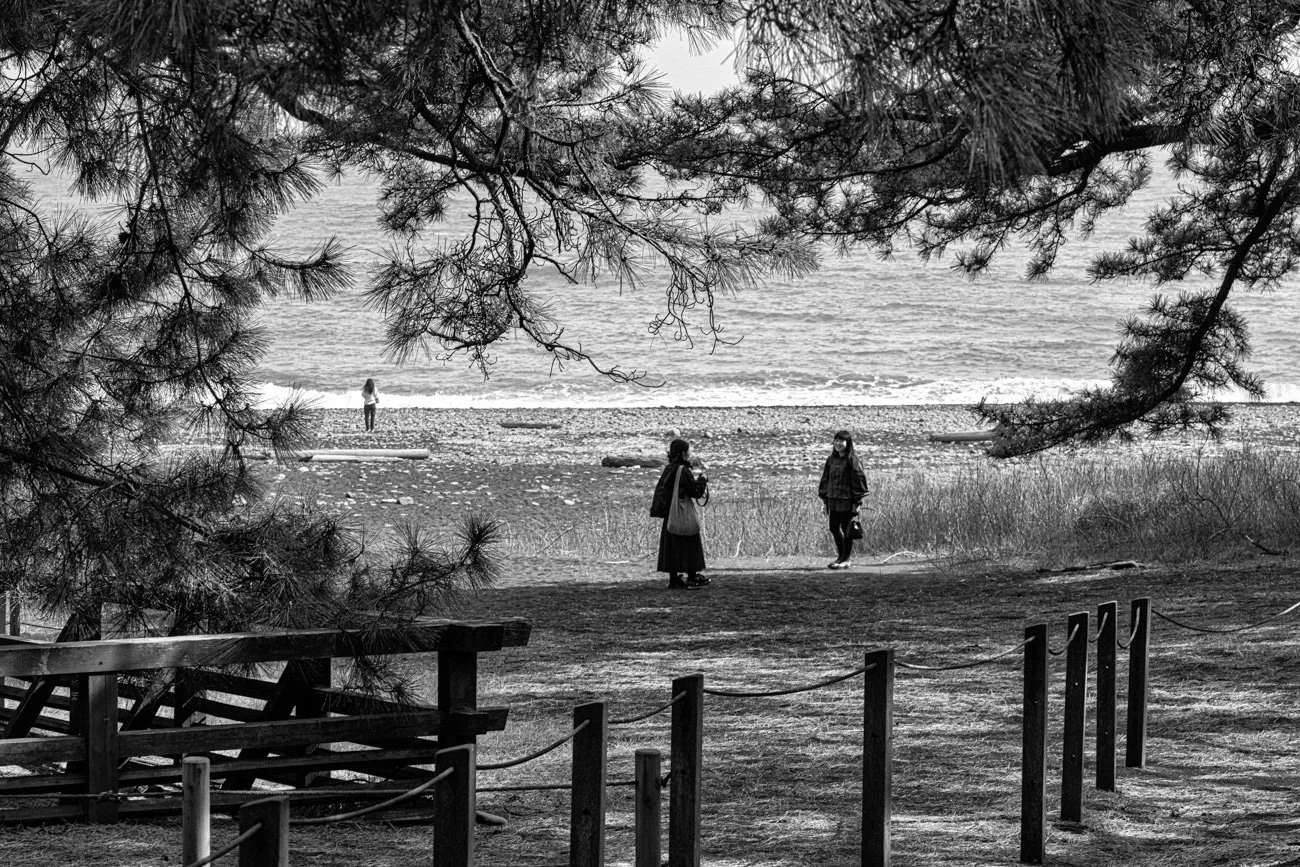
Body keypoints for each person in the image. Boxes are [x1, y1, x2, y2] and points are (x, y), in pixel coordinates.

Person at [652, 438, 710, 589]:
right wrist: (702, 480)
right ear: (684, 453)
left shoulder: (669, 468)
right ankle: (692, 576)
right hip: (682, 513)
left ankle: (674, 579)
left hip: (670, 514)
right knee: (690, 541)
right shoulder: (683, 470)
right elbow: (695, 492)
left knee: (672, 546)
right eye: (688, 451)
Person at [818, 429, 868, 569]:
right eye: (836, 440)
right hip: (833, 499)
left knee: (847, 529)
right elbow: (825, 480)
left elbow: (860, 481)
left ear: (848, 443)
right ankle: (840, 557)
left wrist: (857, 502)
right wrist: (824, 498)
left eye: (841, 441)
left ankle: (846, 559)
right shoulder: (831, 459)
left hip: (847, 501)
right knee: (833, 528)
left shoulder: (853, 460)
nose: (838, 443)